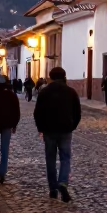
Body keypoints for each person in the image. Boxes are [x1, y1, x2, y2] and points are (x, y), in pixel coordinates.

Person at [34, 67, 81, 202]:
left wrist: (41, 128)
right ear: (64, 76)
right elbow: (77, 113)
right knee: (65, 158)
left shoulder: (44, 92)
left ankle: (53, 188)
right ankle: (63, 182)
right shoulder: (71, 92)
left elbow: (37, 113)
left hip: (49, 130)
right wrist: (72, 126)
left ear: (50, 77)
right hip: (65, 130)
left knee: (50, 159)